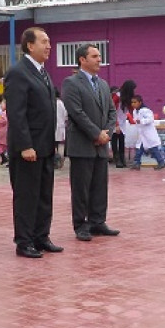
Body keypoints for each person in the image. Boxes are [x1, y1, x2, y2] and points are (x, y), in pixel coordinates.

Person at [5, 27, 61, 257]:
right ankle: (24, 241)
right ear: (30, 45)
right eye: (44, 42)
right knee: (27, 195)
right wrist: (26, 145)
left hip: (45, 145)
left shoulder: (42, 71)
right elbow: (17, 114)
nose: (49, 46)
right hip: (28, 148)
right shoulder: (19, 72)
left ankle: (41, 236)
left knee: (44, 194)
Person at [62, 43, 119, 242]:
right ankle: (81, 224)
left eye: (99, 56)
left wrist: (107, 133)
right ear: (82, 60)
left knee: (99, 186)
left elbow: (112, 112)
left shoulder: (103, 84)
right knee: (81, 188)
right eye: (94, 56)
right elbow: (77, 113)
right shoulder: (71, 83)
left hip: (101, 144)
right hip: (82, 144)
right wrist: (96, 133)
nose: (99, 59)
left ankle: (98, 221)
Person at [129, 95, 165, 170]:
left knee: (153, 148)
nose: (133, 104)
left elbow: (150, 119)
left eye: (135, 102)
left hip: (148, 132)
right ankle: (137, 163)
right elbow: (135, 120)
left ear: (140, 102)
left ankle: (161, 162)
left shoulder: (146, 110)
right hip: (142, 133)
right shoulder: (135, 111)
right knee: (139, 148)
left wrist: (141, 121)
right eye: (132, 102)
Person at [54, 88, 67, 169]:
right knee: (58, 144)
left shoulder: (52, 103)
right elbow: (66, 115)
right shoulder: (61, 103)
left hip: (53, 126)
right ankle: (59, 157)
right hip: (61, 126)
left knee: (53, 144)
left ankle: (56, 159)